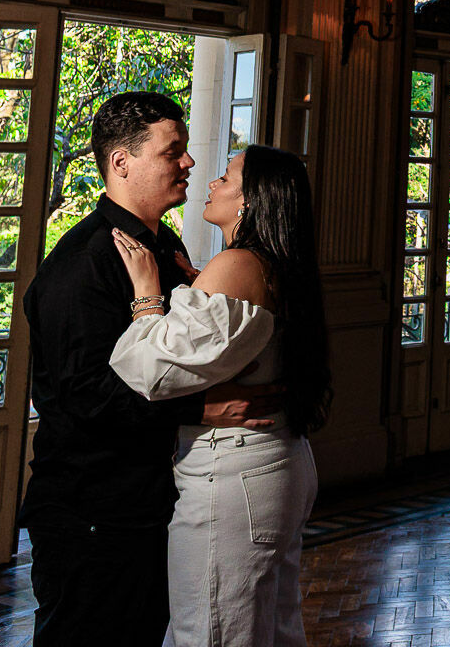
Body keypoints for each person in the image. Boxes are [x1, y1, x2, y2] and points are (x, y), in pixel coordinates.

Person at [20, 92, 284, 647]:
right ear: (121, 162)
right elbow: (81, 396)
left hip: (147, 501)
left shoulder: (163, 246)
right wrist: (205, 409)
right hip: (92, 509)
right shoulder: (85, 261)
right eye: (174, 151)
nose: (189, 163)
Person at [109, 143, 331, 647]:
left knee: (210, 633)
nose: (211, 183)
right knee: (269, 629)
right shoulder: (272, 263)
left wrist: (148, 298)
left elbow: (151, 373)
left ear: (251, 200)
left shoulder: (237, 264)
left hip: (233, 477)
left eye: (227, 178)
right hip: (278, 463)